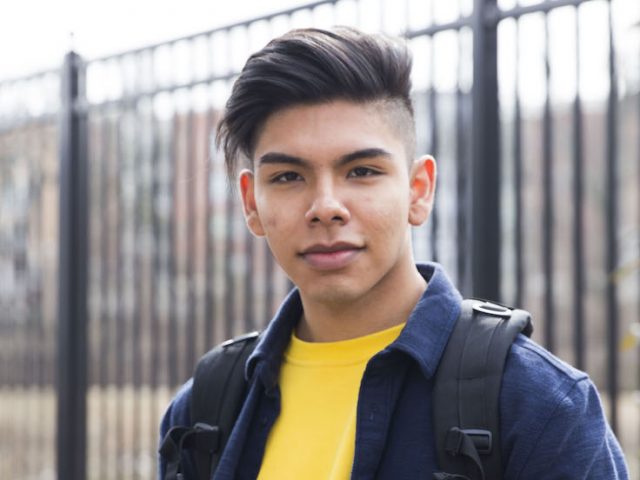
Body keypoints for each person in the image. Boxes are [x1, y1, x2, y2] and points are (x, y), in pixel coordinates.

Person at [159, 27, 628, 479]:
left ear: (418, 190)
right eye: (288, 177)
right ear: (250, 203)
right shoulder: (205, 409)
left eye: (361, 171)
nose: (326, 208)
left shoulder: (537, 405)